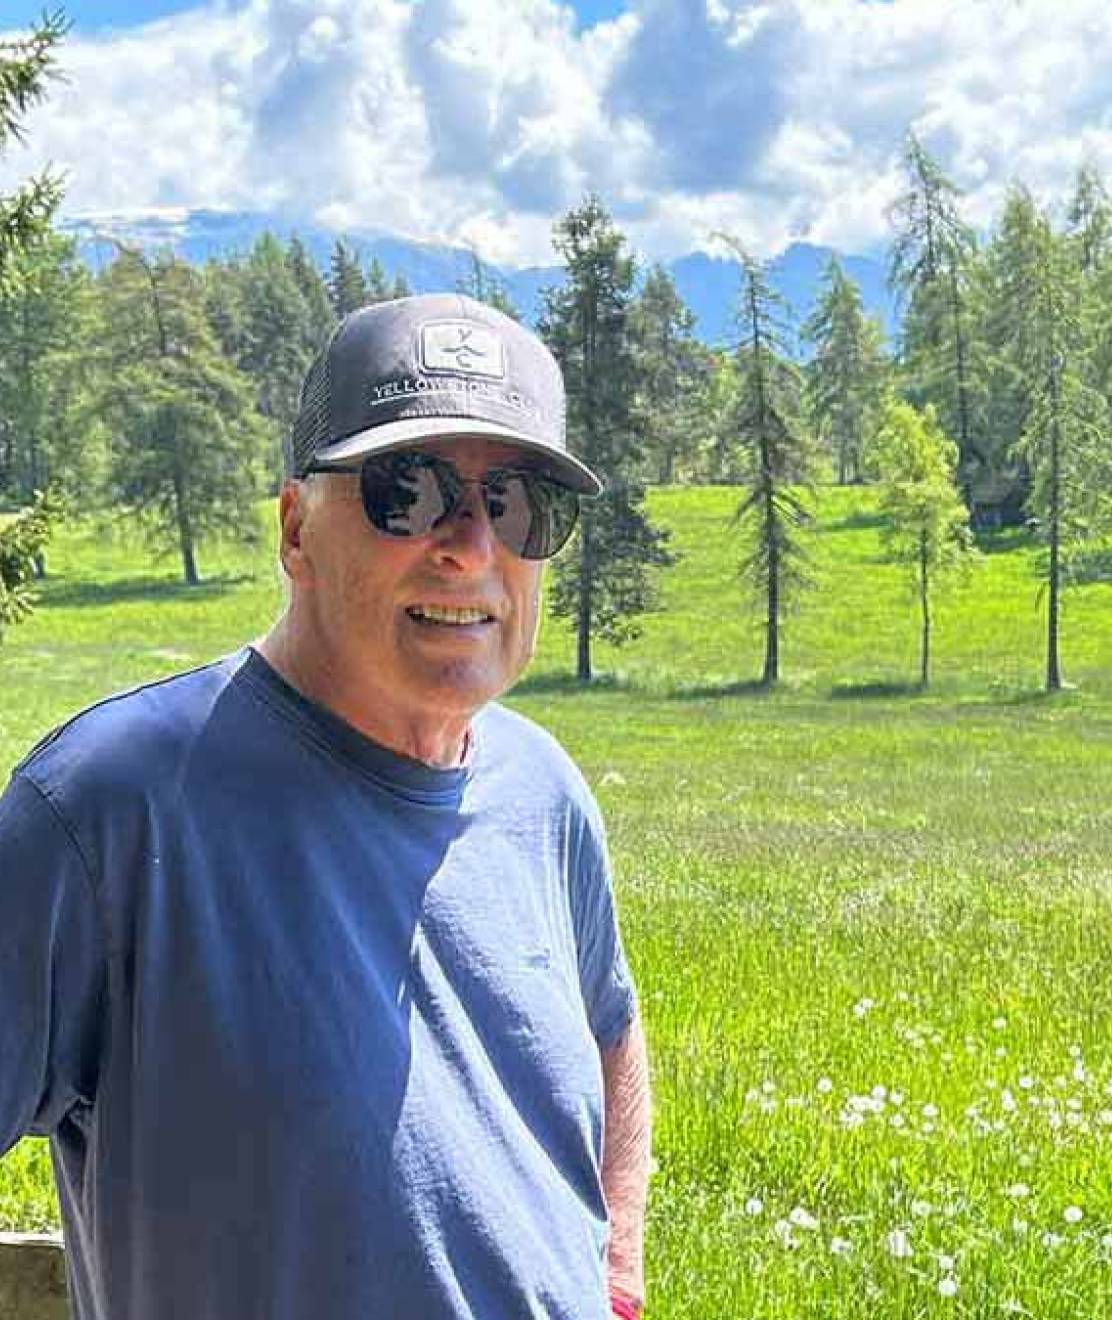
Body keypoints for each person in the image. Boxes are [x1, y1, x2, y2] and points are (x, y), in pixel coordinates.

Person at [0, 293, 651, 1320]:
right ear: (298, 530)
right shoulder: (107, 807)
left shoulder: (544, 791)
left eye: (521, 502)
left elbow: (610, 1026)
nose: (470, 545)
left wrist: (615, 1274)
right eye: (410, 490)